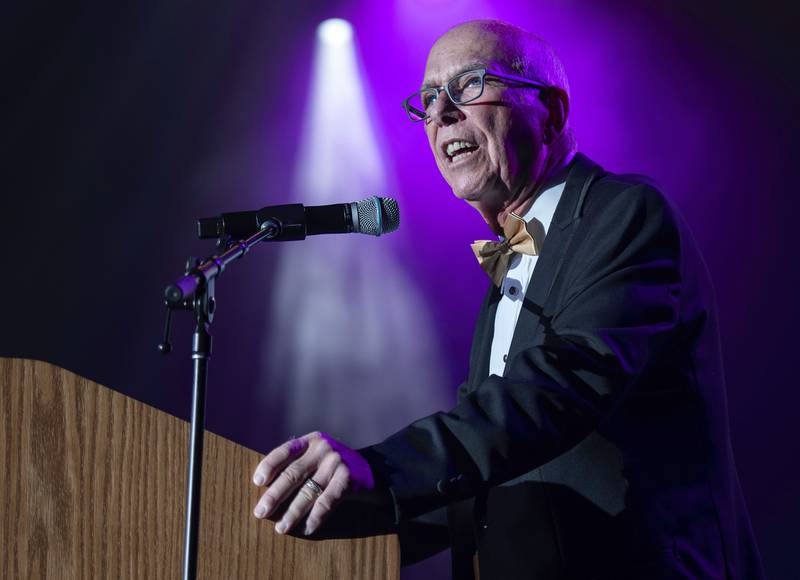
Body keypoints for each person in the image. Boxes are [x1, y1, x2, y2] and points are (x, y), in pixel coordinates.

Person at [250, 19, 764, 579]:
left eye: (469, 84)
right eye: (427, 99)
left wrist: (383, 469)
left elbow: (557, 389)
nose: (441, 113)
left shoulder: (627, 215)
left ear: (553, 113)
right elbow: (490, 468)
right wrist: (344, 507)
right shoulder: (508, 270)